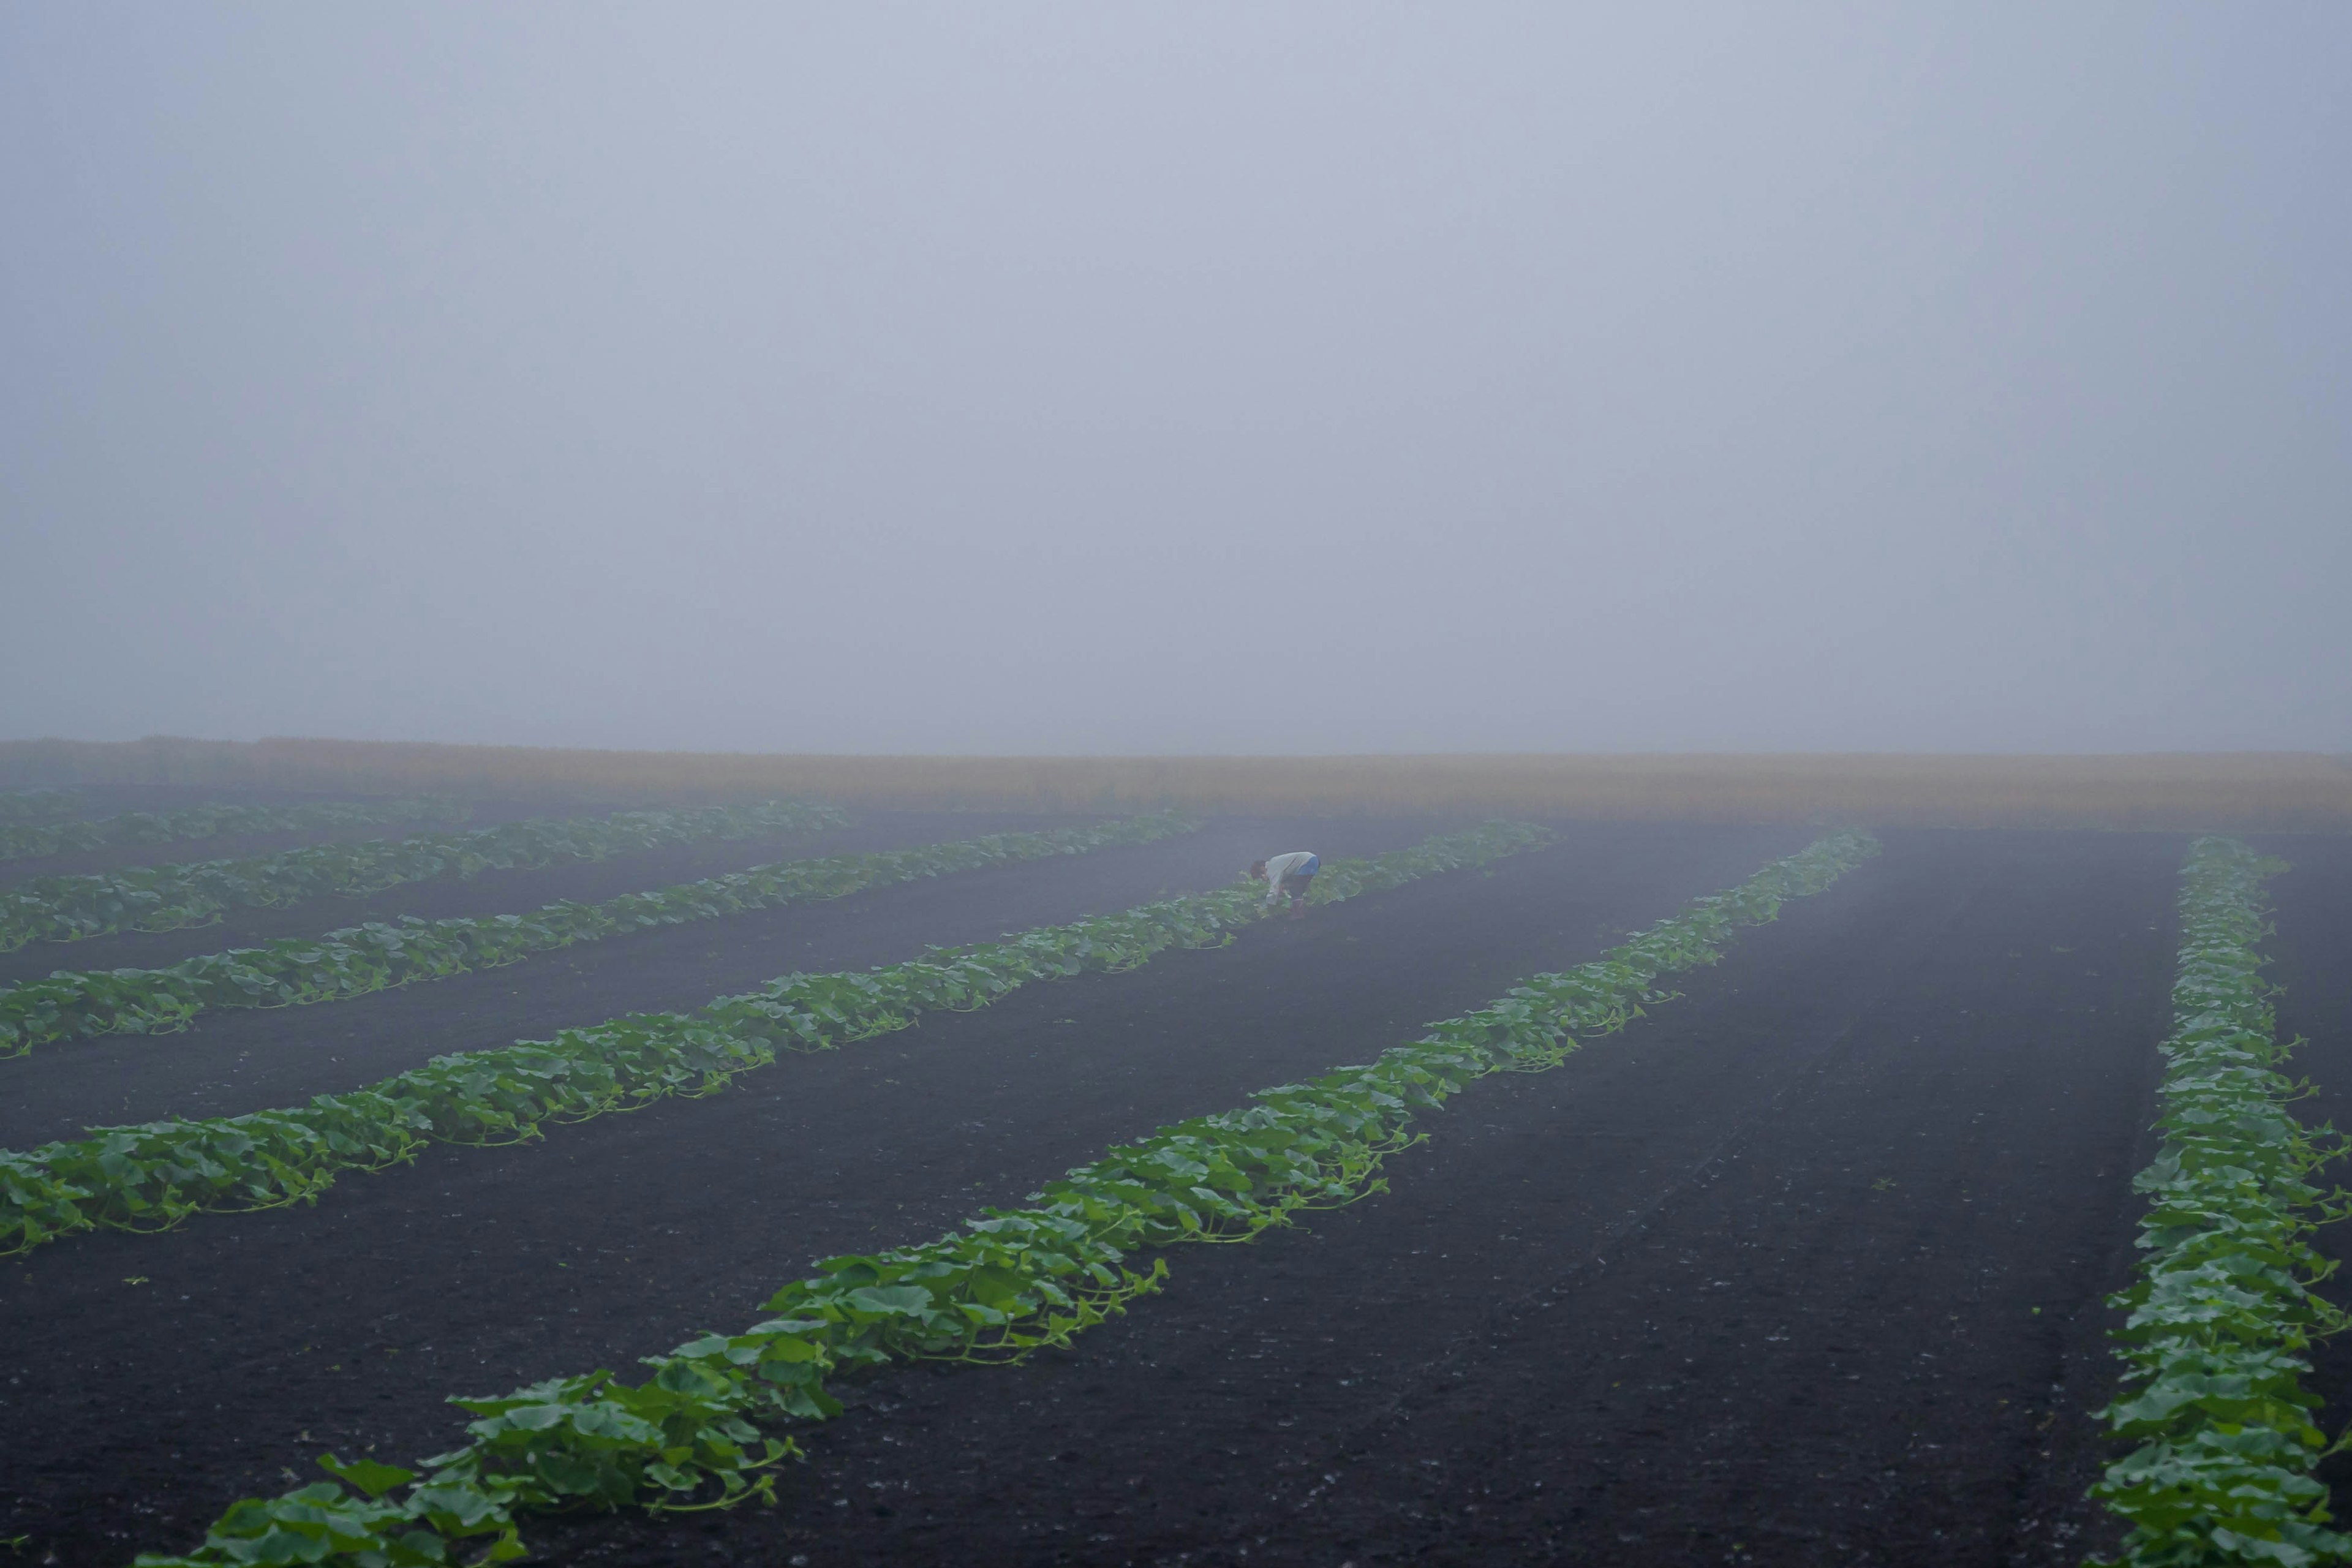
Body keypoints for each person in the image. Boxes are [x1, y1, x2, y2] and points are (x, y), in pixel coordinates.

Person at [1251, 851, 1319, 919]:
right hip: (1311, 860)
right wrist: (1282, 887)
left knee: (1296, 890)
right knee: (1297, 886)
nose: (1262, 879)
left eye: (1260, 877)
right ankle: (1301, 910)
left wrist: (1268, 907)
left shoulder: (1272, 868)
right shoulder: (1275, 864)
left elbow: (1274, 890)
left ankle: (1298, 914)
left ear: (1262, 869)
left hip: (1308, 862)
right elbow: (1288, 881)